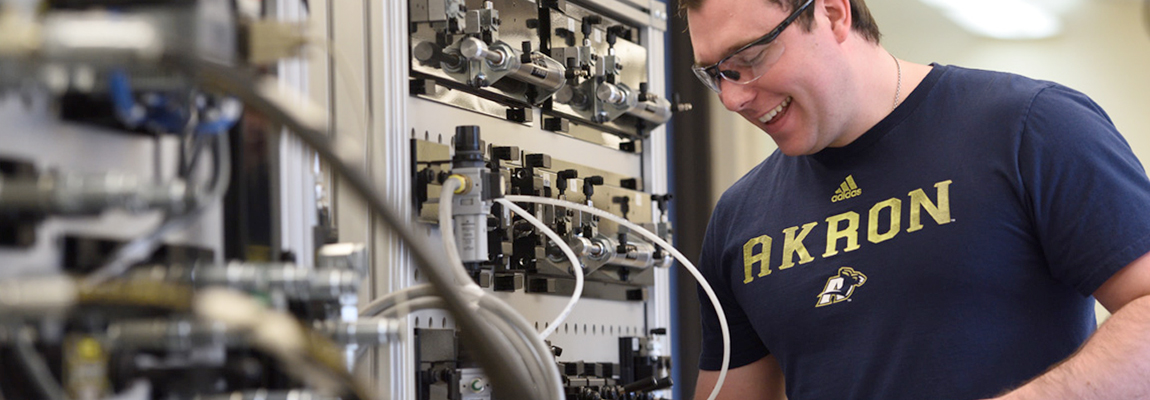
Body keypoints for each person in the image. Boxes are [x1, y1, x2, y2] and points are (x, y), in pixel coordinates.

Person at [682, 0, 1150, 398]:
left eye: (750, 57)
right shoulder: (737, 218)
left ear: (832, 12)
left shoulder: (1030, 127)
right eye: (717, 74)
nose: (731, 98)